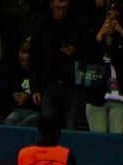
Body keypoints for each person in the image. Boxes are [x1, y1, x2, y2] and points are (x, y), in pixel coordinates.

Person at [29, 0, 87, 129]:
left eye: (64, 8)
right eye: (57, 8)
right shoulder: (41, 24)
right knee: (48, 128)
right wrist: (35, 88)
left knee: (70, 128)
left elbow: (88, 50)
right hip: (48, 83)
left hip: (70, 83)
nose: (60, 11)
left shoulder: (77, 23)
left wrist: (75, 51)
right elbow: (35, 57)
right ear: (51, 5)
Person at [82, 5, 123, 134]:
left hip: (119, 100)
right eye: (107, 20)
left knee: (116, 139)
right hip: (96, 100)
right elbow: (84, 61)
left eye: (113, 20)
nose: (110, 24)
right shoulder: (92, 41)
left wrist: (122, 32)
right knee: (98, 139)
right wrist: (99, 35)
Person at [3, 36, 40, 127]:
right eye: (22, 61)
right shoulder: (16, 71)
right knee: (9, 122)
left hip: (36, 111)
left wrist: (28, 97)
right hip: (19, 109)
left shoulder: (39, 73)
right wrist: (14, 95)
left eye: (27, 62)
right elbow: (9, 90)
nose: (25, 64)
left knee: (26, 124)